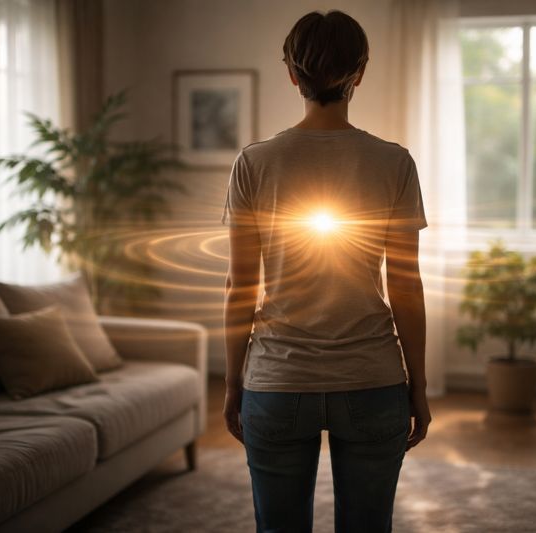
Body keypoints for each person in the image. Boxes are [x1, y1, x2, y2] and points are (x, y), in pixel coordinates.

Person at [221, 9, 431, 533]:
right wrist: (419, 387)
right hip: (372, 379)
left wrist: (232, 384)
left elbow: (239, 287)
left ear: (293, 75)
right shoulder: (394, 162)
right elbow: (406, 286)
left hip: (276, 381)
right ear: (360, 72)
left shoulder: (254, 163)